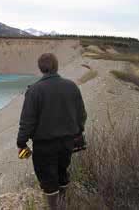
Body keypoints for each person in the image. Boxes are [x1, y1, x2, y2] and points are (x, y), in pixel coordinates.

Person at [17, 53, 87, 210]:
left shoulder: (34, 91)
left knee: (48, 179)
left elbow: (27, 121)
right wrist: (77, 132)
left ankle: (55, 208)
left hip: (44, 146)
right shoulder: (71, 86)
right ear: (56, 66)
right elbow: (81, 114)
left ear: (41, 68)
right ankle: (63, 204)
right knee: (62, 171)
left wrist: (21, 143)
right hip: (68, 142)